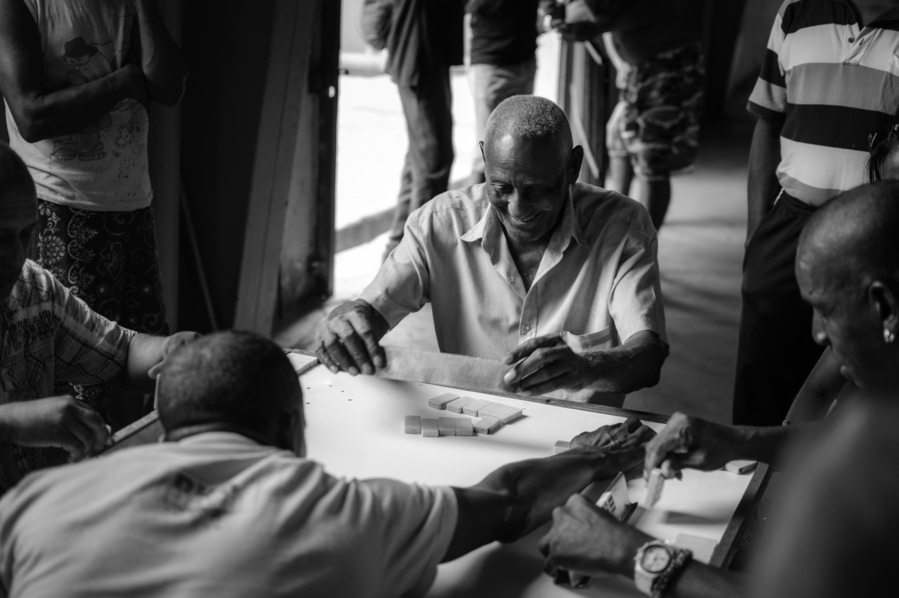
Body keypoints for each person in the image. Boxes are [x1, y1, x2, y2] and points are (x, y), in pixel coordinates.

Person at [0, 329, 657, 597]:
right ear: (291, 423)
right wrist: (583, 457)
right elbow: (508, 500)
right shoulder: (349, 510)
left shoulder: (32, 503)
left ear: (167, 423)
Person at [538, 180, 899, 598]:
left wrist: (632, 553)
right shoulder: (875, 403)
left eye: (826, 311)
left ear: (884, 306)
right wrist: (738, 440)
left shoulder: (868, 454)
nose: (817, 334)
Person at [315, 95, 668, 406]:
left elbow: (648, 356)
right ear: (484, 158)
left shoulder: (623, 228)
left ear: (573, 167)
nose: (517, 209)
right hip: (470, 423)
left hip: (582, 434)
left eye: (537, 190)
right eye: (501, 187)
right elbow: (370, 311)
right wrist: (347, 322)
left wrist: (585, 368)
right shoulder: (438, 224)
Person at [0, 0, 186, 420]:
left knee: (139, 358)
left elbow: (169, 86)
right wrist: (122, 83)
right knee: (78, 389)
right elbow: (30, 114)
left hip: (132, 204)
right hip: (62, 210)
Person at [734, 0, 899, 426]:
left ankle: (828, 486)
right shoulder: (796, 12)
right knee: (764, 384)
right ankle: (755, 480)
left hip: (876, 241)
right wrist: (758, 234)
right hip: (791, 224)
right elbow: (768, 122)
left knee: (856, 388)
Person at [0, 142, 196, 494]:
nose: (15, 256)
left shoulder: (34, 290)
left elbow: (121, 354)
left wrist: (173, 353)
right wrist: (10, 422)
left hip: (36, 518)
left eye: (25, 235)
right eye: (0, 238)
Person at [549, 0, 704, 231]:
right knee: (620, 138)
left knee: (652, 156)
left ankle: (644, 248)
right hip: (638, 68)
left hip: (668, 62)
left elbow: (663, 7)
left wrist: (600, 26)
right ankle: (617, 228)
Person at [381, 0, 465, 260]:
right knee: (432, 163)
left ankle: (398, 252)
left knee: (421, 161)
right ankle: (414, 259)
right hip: (419, 56)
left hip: (428, 55)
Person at [466, 0, 541, 185]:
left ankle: (512, 210)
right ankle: (473, 211)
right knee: (486, 149)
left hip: (525, 59)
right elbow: (469, 11)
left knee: (520, 145)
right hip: (491, 64)